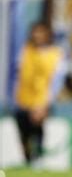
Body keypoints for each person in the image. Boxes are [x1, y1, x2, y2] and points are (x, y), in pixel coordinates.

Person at [14, 22, 66, 164]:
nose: (38, 35)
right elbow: (19, 74)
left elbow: (57, 80)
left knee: (37, 127)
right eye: (36, 32)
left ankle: (38, 158)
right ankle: (28, 160)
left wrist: (46, 102)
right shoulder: (26, 50)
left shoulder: (55, 53)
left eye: (41, 32)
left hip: (42, 99)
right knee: (23, 132)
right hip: (23, 99)